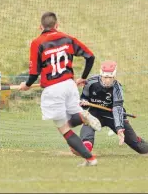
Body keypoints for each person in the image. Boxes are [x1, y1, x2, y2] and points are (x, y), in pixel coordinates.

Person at [18, 12, 102, 166]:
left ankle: (90, 159)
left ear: (40, 27)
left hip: (53, 89)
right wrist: (83, 77)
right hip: (70, 86)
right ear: (57, 25)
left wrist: (27, 85)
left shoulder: (37, 43)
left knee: (63, 128)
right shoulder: (68, 38)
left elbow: (34, 72)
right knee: (70, 120)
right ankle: (83, 117)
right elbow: (90, 56)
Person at [70, 60, 148, 156]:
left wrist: (119, 128)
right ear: (101, 75)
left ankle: (147, 149)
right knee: (87, 124)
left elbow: (117, 109)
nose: (108, 80)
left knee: (141, 148)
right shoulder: (90, 83)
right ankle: (85, 148)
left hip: (112, 115)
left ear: (114, 76)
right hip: (95, 113)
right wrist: (84, 102)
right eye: (105, 77)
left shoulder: (117, 88)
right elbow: (84, 98)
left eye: (110, 77)